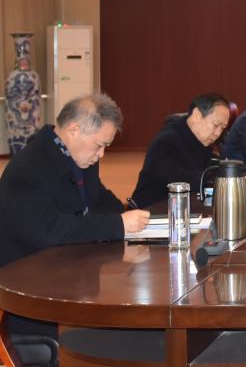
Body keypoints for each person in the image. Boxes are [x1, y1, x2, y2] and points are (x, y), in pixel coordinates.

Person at [0, 94, 150, 344]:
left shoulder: (77, 156)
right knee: (123, 336)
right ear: (73, 129)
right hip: (31, 298)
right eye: (99, 145)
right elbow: (50, 230)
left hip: (70, 280)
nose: (102, 154)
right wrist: (118, 224)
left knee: (133, 326)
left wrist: (132, 219)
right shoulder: (28, 169)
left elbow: (98, 197)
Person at [129, 93, 231, 208]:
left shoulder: (201, 140)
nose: (218, 133)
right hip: (151, 211)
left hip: (179, 208)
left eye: (222, 128)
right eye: (216, 125)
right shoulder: (166, 142)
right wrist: (215, 179)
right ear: (197, 115)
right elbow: (178, 181)